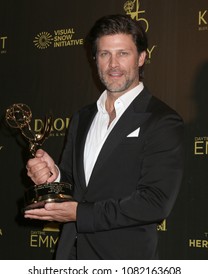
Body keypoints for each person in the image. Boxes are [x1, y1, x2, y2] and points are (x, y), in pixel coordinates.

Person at [25, 14, 184, 260]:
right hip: (70, 256)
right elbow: (73, 184)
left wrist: (80, 214)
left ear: (141, 58)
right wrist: (51, 175)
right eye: (104, 54)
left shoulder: (162, 120)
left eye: (123, 53)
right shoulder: (83, 116)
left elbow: (155, 202)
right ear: (95, 60)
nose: (113, 64)